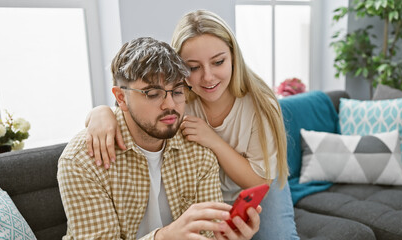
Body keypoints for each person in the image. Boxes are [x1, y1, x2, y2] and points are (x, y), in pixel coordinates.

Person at [86, 10, 299, 239]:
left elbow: (259, 180)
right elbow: (131, 109)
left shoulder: (260, 105)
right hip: (206, 191)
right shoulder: (177, 98)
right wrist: (100, 113)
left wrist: (213, 140)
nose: (208, 77)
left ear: (234, 57)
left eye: (218, 62)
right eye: (193, 68)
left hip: (256, 185)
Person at [58, 37, 261, 240]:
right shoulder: (82, 160)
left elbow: (208, 234)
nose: (170, 104)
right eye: (153, 93)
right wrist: (164, 237)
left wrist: (227, 238)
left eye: (177, 91)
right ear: (121, 98)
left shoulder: (199, 150)